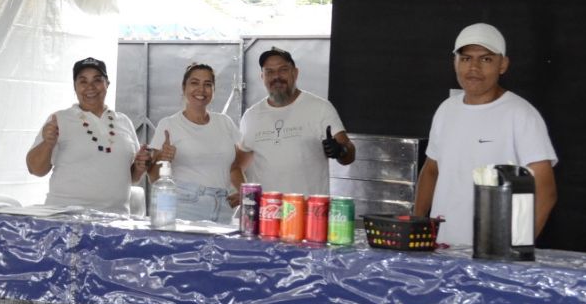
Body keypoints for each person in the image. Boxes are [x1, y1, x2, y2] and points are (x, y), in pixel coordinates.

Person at [413, 22, 557, 248]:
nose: (474, 68)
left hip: (492, 258)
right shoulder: (446, 110)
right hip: (441, 250)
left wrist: (513, 249)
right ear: (455, 63)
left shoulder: (521, 114)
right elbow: (431, 170)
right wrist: (417, 228)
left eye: (486, 59)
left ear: (503, 64)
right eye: (466, 58)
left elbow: (546, 192)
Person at [26, 57, 152, 214]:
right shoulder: (59, 119)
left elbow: (130, 177)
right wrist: (47, 143)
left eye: (97, 80)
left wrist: (139, 167)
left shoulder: (124, 121)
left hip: (115, 218)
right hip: (66, 217)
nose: (90, 87)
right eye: (83, 81)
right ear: (75, 87)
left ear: (107, 84)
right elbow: (35, 170)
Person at [235, 47, 355, 196]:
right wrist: (247, 195)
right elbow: (237, 166)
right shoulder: (251, 116)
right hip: (267, 213)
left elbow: (349, 156)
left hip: (308, 213)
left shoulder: (320, 108)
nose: (276, 76)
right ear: (262, 77)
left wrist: (341, 151)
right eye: (269, 72)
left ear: (295, 72)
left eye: (283, 70)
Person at [149, 63, 252, 223]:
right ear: (184, 88)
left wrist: (245, 194)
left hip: (223, 207)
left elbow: (234, 167)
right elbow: (154, 176)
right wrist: (163, 157)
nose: (201, 90)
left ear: (214, 90)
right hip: (184, 207)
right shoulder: (169, 124)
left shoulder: (225, 122)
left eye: (207, 84)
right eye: (194, 83)